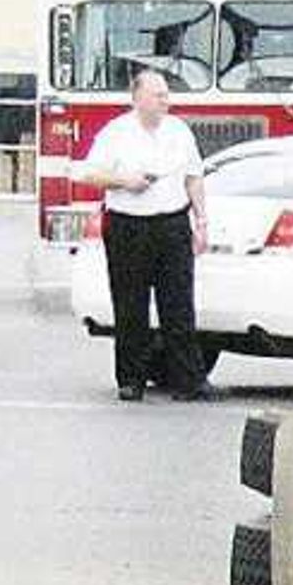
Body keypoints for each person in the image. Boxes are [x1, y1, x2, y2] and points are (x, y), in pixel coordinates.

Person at [82, 68, 208, 401]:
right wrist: (126, 181)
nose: (165, 101)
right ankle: (131, 379)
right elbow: (90, 174)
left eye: (167, 94)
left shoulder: (179, 132)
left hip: (172, 224)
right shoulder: (115, 133)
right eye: (158, 95)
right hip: (128, 225)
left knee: (178, 304)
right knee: (130, 304)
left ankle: (188, 380)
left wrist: (201, 221)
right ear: (137, 98)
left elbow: (194, 177)